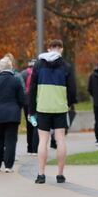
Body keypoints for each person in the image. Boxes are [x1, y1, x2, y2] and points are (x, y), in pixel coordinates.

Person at [29, 39, 77, 184]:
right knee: (60, 139)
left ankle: (41, 174)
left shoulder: (38, 65)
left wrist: (31, 110)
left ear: (49, 48)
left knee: (43, 140)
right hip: (60, 108)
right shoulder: (66, 66)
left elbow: (32, 89)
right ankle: (60, 174)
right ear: (61, 49)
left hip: (43, 107)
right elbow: (72, 90)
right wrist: (67, 104)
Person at [0, 57, 25, 172]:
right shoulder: (16, 80)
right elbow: (22, 99)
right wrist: (17, 107)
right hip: (13, 114)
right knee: (11, 141)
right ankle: (8, 166)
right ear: (11, 67)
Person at [20, 59, 39, 155]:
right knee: (36, 124)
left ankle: (29, 148)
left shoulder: (23, 74)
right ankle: (35, 149)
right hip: (37, 101)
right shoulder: (39, 72)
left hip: (26, 102)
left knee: (29, 125)